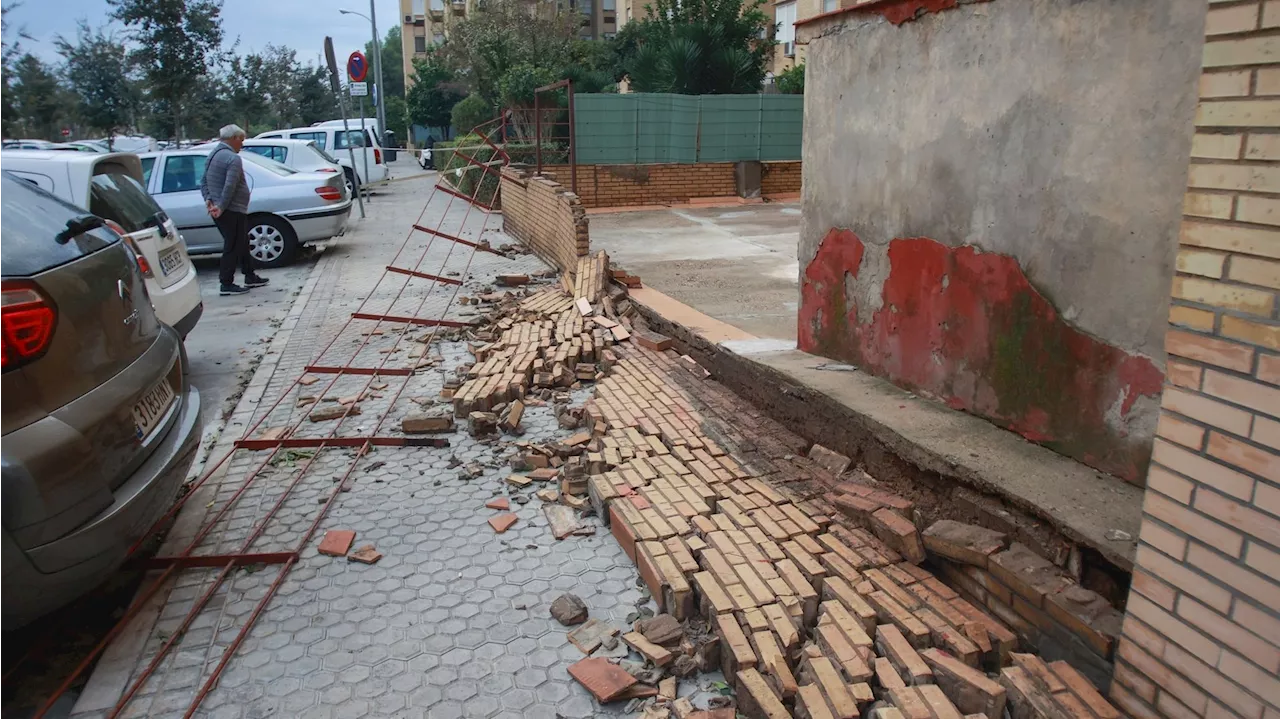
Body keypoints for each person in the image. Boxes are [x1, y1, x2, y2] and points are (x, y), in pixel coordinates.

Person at [201, 124, 268, 296]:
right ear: (234, 139)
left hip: (222, 207)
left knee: (242, 242)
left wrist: (209, 200)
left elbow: (203, 182)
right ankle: (226, 283)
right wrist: (221, 207)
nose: (242, 144)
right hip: (231, 209)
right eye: (241, 140)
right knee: (232, 245)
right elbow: (229, 186)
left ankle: (250, 274)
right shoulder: (232, 158)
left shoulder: (213, 154)